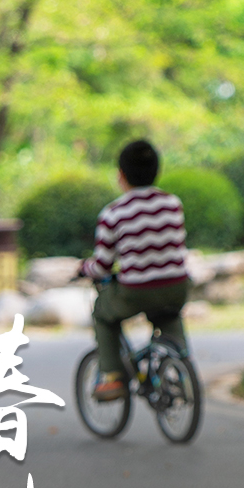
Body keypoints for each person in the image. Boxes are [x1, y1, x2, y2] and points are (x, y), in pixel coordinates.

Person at [81, 139, 190, 402]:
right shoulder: (172, 203)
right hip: (177, 286)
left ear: (121, 175)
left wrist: (84, 269)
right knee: (169, 315)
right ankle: (183, 368)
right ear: (157, 171)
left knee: (103, 313)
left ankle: (111, 376)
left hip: (136, 291)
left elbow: (103, 264)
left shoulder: (114, 213)